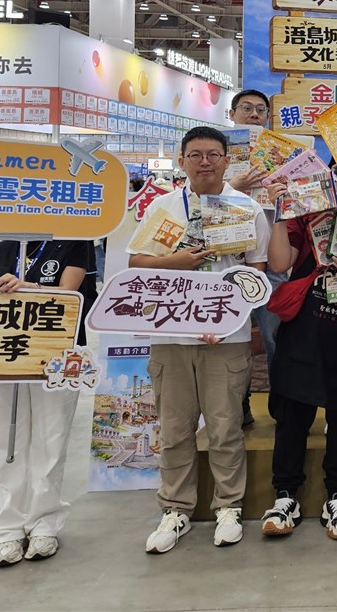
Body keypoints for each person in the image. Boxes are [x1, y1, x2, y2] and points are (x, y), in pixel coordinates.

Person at [130, 126, 270, 554]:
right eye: (196, 155)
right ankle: (175, 509)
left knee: (225, 426)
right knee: (175, 428)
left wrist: (229, 317)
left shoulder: (246, 209)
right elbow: (138, 262)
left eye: (213, 154)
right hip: (171, 332)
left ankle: (229, 505)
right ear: (182, 161)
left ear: (227, 160)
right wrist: (178, 261)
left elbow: (256, 274)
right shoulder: (165, 207)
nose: (205, 162)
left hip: (225, 336)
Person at [260, 156, 337, 541]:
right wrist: (282, 212)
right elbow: (280, 263)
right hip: (304, 324)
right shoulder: (303, 216)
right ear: (329, 178)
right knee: (293, 410)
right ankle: (285, 495)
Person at [0, 235, 96, 567]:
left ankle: (45, 523)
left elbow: (71, 293)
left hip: (57, 353)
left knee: (51, 439)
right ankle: (8, 529)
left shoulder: (75, 241)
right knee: (5, 442)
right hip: (3, 353)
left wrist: (27, 287)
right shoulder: (0, 248)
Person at [227, 88, 275, 428]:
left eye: (261, 109)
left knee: (274, 338)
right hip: (228, 263)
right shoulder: (216, 154)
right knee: (233, 338)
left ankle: (282, 406)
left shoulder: (278, 152)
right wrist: (233, 186)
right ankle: (238, 405)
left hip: (273, 261)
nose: (254, 114)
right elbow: (197, 203)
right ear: (231, 114)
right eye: (246, 108)